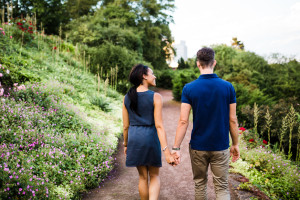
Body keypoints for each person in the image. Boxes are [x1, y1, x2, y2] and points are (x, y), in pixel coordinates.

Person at [171, 47, 240, 200]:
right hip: (220, 145)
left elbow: (183, 121)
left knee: (200, 184)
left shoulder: (189, 88)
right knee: (222, 187)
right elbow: (233, 120)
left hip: (198, 147)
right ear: (214, 62)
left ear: (198, 64)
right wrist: (235, 144)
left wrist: (176, 147)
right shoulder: (228, 87)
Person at [122, 64, 175, 200]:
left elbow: (126, 126)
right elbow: (159, 126)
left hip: (134, 139)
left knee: (142, 177)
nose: (154, 76)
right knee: (154, 176)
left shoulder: (127, 98)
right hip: (150, 138)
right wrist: (166, 150)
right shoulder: (155, 97)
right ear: (144, 76)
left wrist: (126, 144)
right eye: (152, 73)